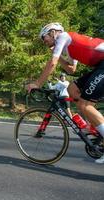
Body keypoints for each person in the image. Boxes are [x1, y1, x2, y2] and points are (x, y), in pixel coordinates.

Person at [26, 22, 104, 163]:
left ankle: (93, 116)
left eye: (44, 38)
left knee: (84, 106)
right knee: (72, 90)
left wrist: (37, 83)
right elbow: (71, 70)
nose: (44, 42)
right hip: (100, 66)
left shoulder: (63, 36)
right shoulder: (68, 47)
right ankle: (96, 124)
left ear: (53, 32)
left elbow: (52, 64)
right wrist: (57, 54)